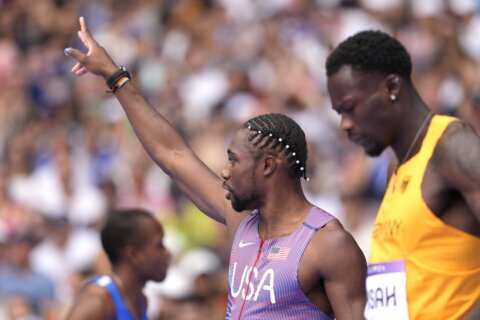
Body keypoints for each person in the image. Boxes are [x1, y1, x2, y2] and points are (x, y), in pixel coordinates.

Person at [64, 17, 367, 319]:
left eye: (234, 160)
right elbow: (173, 155)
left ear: (267, 166)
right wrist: (115, 77)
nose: (225, 171)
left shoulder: (327, 244)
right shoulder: (242, 221)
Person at [326, 30, 480, 320]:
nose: (344, 125)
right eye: (338, 113)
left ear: (392, 87)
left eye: (350, 108)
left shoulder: (452, 146)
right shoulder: (395, 169)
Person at [65, 208, 171, 320]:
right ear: (133, 254)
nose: (168, 253)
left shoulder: (141, 301)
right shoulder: (99, 300)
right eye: (159, 245)